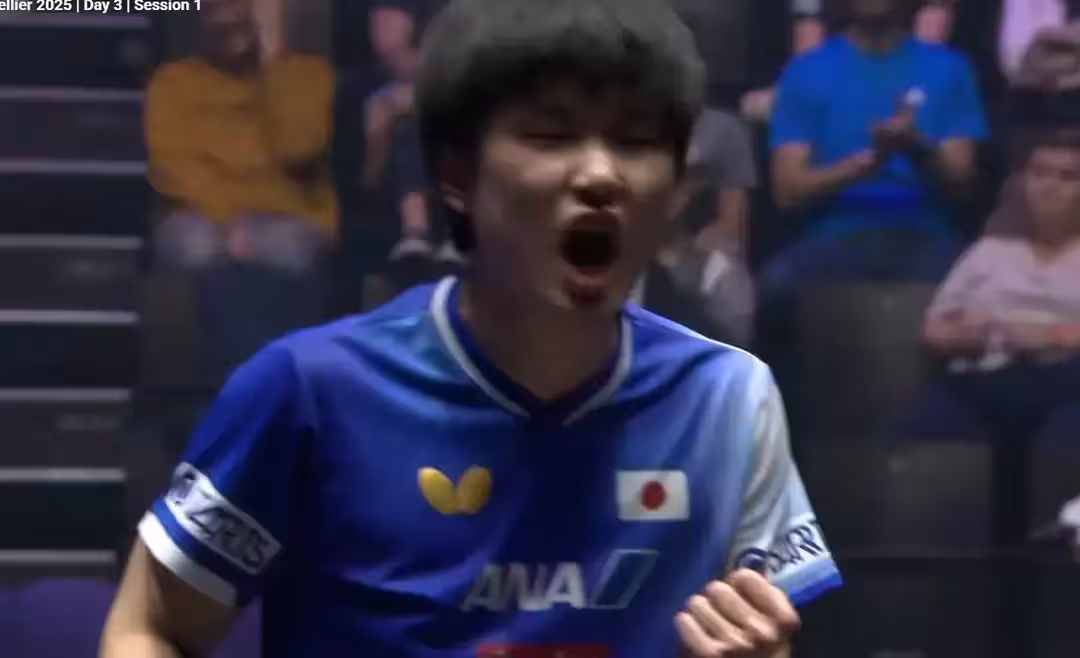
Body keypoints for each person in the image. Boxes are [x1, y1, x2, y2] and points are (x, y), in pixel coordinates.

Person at [101, 1, 840, 656]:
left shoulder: (729, 399)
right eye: (549, 135)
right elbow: (152, 626)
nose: (601, 174)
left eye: (636, 141)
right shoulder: (308, 392)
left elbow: (764, 646)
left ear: (677, 184)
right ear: (456, 175)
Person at [145, 0, 336, 377]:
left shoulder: (311, 76)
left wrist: (273, 65)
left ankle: (268, 380)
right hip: (204, 220)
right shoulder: (173, 81)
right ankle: (249, 380)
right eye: (218, 16)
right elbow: (173, 169)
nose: (229, 30)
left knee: (288, 249)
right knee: (196, 246)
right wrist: (232, 224)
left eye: (242, 20)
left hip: (288, 219)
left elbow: (300, 148)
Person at [896, 129, 1080, 448]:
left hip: (1067, 381)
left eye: (1067, 177)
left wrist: (1052, 336)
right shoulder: (988, 251)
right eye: (1039, 173)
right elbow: (933, 332)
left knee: (1065, 432)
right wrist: (991, 332)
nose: (1049, 187)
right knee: (927, 420)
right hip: (986, 375)